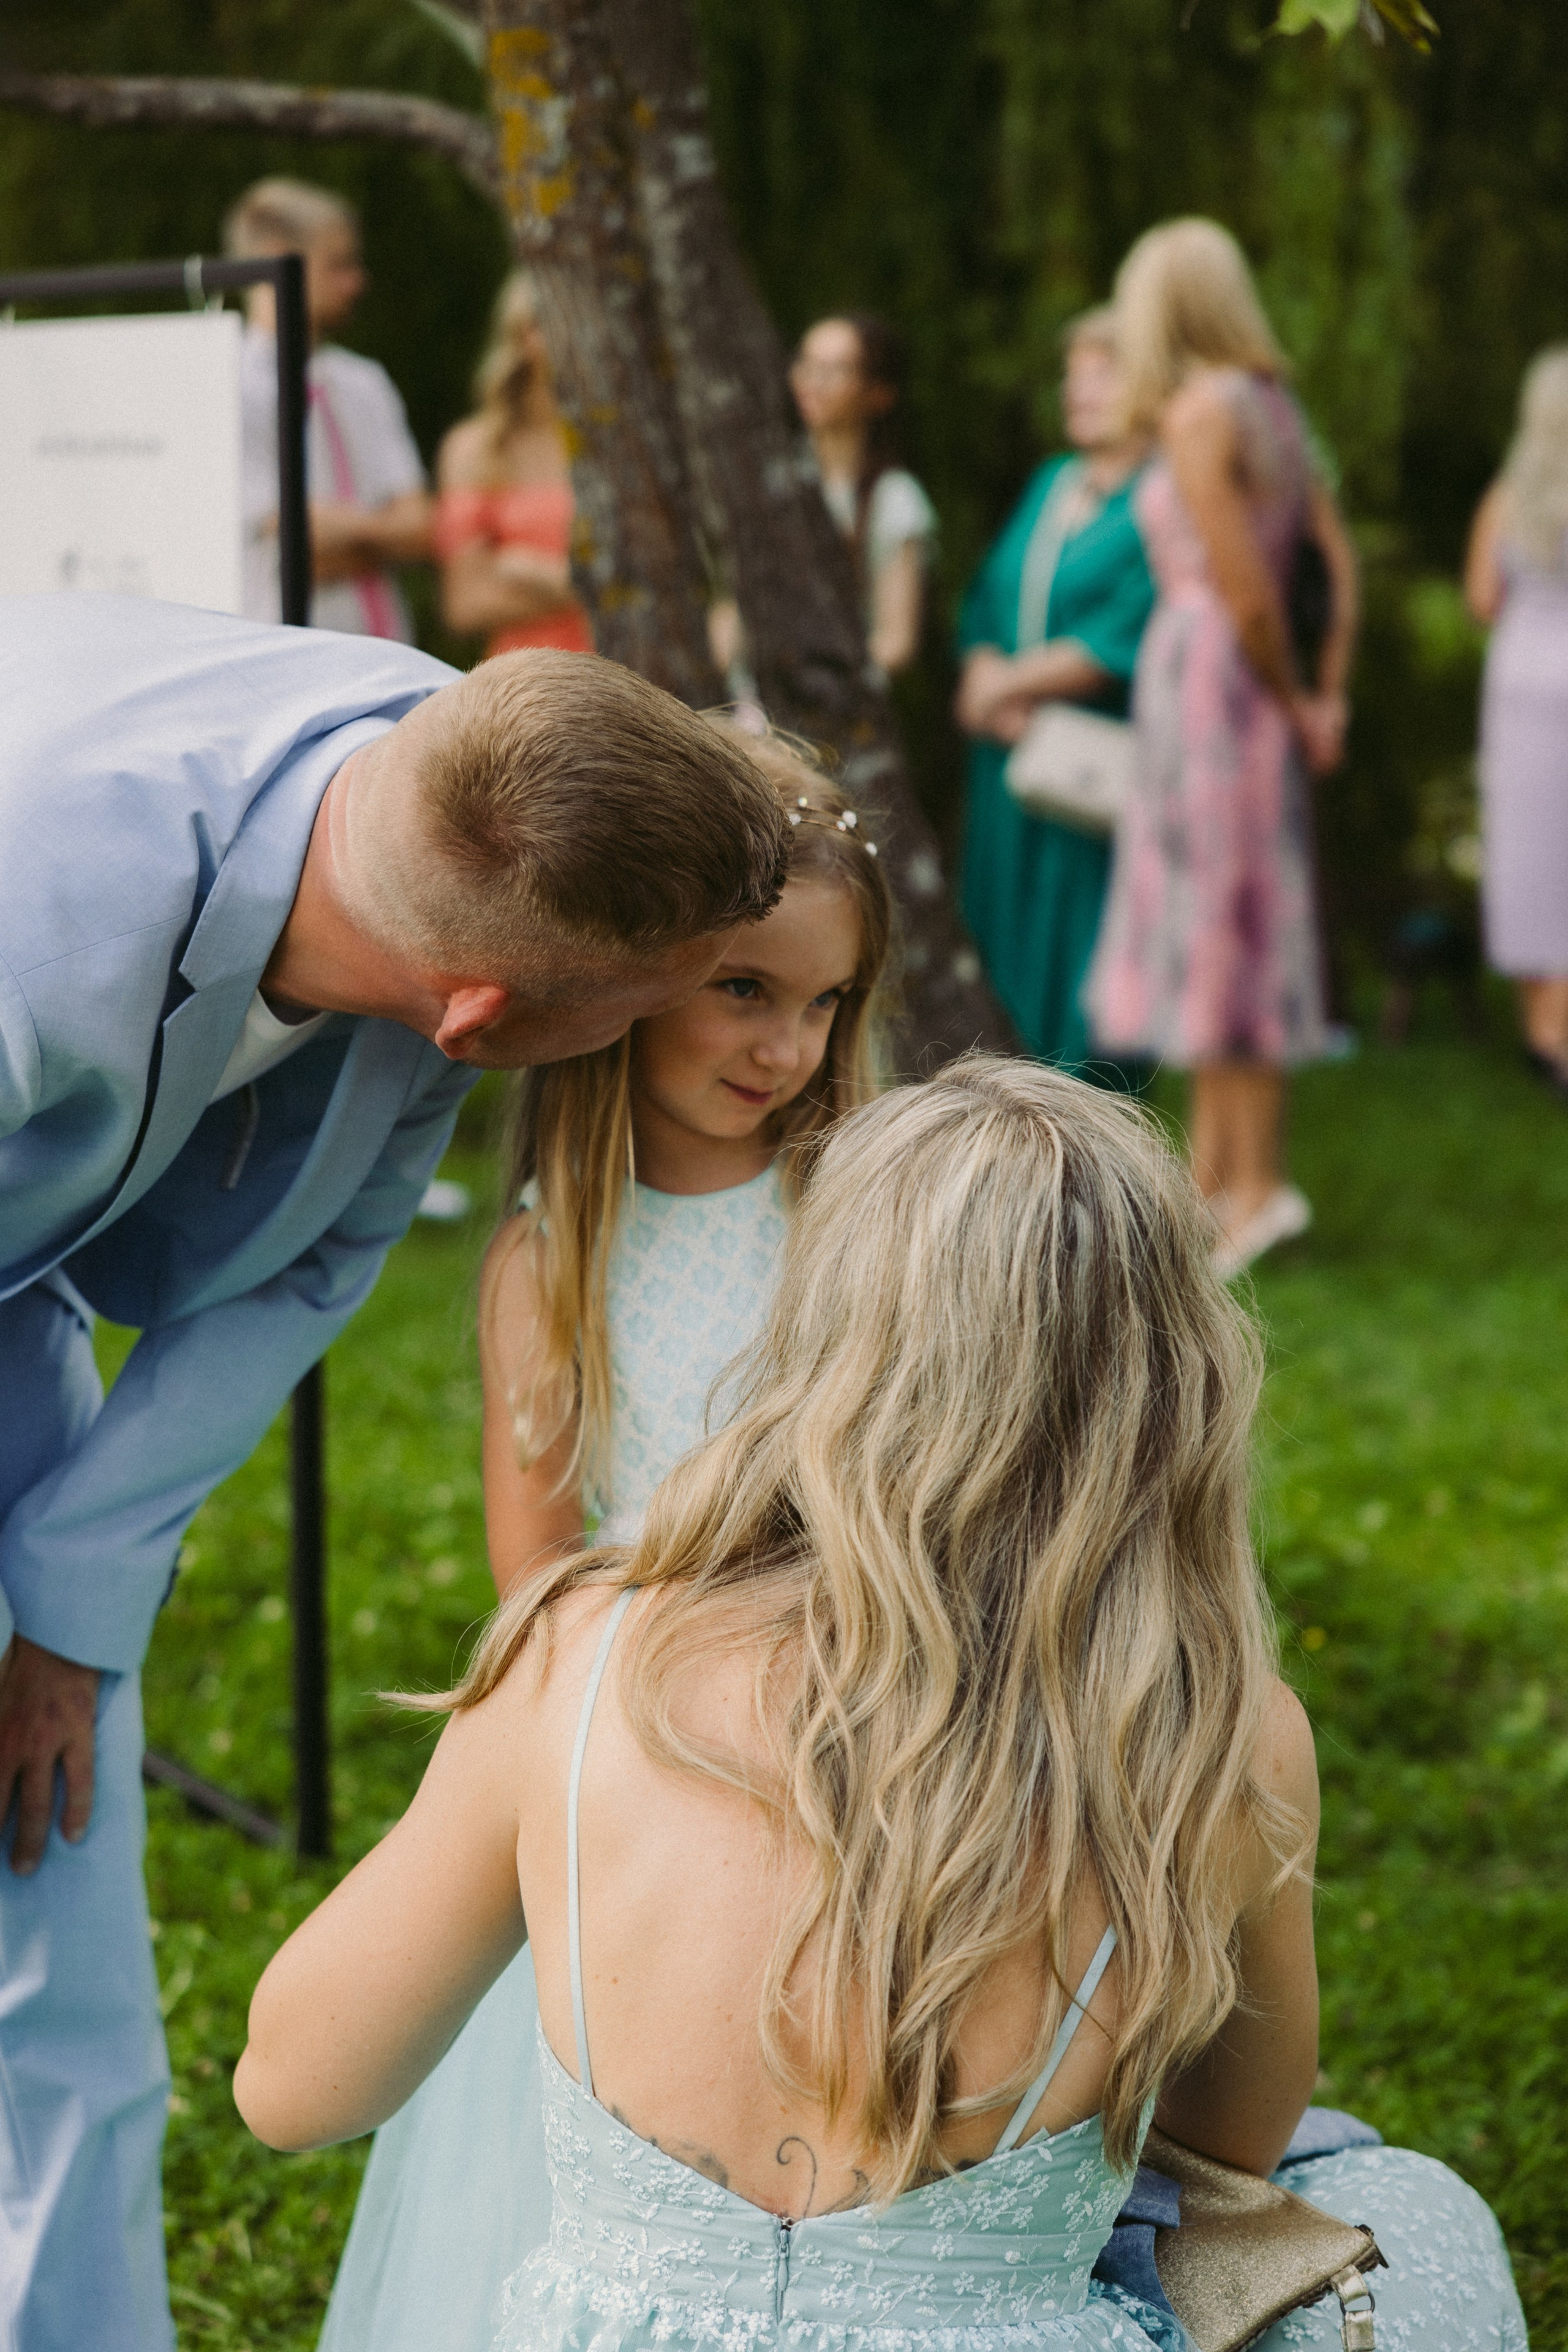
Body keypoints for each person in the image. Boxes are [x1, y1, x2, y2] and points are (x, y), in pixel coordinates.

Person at [236, 1054, 1525, 2352]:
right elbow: (1229, 2142)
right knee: (1404, 2202)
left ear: (813, 1332)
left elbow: (292, 2087)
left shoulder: (577, 1657)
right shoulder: (1216, 1734)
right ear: (1168, 1376)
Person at [0, 593, 791, 2352]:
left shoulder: (477, 787)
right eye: (645, 1014)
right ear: (488, 1018)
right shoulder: (32, 920)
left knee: (56, 1903)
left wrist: (65, 1614)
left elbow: (308, 1265)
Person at [318, 739, 895, 2352]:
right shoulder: (549, 1264)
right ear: (637, 982)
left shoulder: (860, 1224)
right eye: (743, 991)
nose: (787, 1046)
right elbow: (542, 1588)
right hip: (641, 1757)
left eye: (827, 1004)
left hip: (861, 1733)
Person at [1085, 219, 1359, 1280]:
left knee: (1217, 920)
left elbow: (1245, 591)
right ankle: (1216, 1180)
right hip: (1245, 687)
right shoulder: (1275, 407)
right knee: (1235, 918)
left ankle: (1253, 1187)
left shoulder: (1202, 412)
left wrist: (1292, 699)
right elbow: (1335, 563)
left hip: (1215, 680)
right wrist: (1324, 695)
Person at [955, 308, 1155, 1072]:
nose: (1080, 390)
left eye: (1103, 373)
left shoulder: (1161, 496)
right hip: (1009, 759)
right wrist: (981, 671)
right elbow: (987, 596)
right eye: (1074, 375)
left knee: (1080, 954)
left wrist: (1005, 686)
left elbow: (1127, 626)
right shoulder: (1052, 483)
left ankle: (1087, 1117)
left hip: (1092, 768)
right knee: (999, 940)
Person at [225, 177, 433, 638]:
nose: (357, 282)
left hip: (385, 649)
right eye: (339, 265)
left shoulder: (365, 382)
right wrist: (381, 535)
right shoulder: (228, 386)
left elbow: (421, 529)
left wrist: (341, 531)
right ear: (279, 258)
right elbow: (294, 544)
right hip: (288, 647)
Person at [1465, 344, 1568, 1098]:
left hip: (1521, 687)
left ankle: (1543, 1031)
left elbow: (1481, 598)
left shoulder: (1505, 498)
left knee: (1530, 852)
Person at [434, 271, 594, 660]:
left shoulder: (621, 440)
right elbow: (467, 605)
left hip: (631, 668)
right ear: (523, 337)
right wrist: (595, 591)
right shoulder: (478, 449)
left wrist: (539, 573)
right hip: (529, 674)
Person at [789, 312, 936, 676]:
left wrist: (821, 679)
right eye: (807, 363)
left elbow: (896, 643)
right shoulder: (772, 478)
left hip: (838, 694)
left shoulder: (895, 499)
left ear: (879, 393)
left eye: (836, 369)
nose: (814, 380)